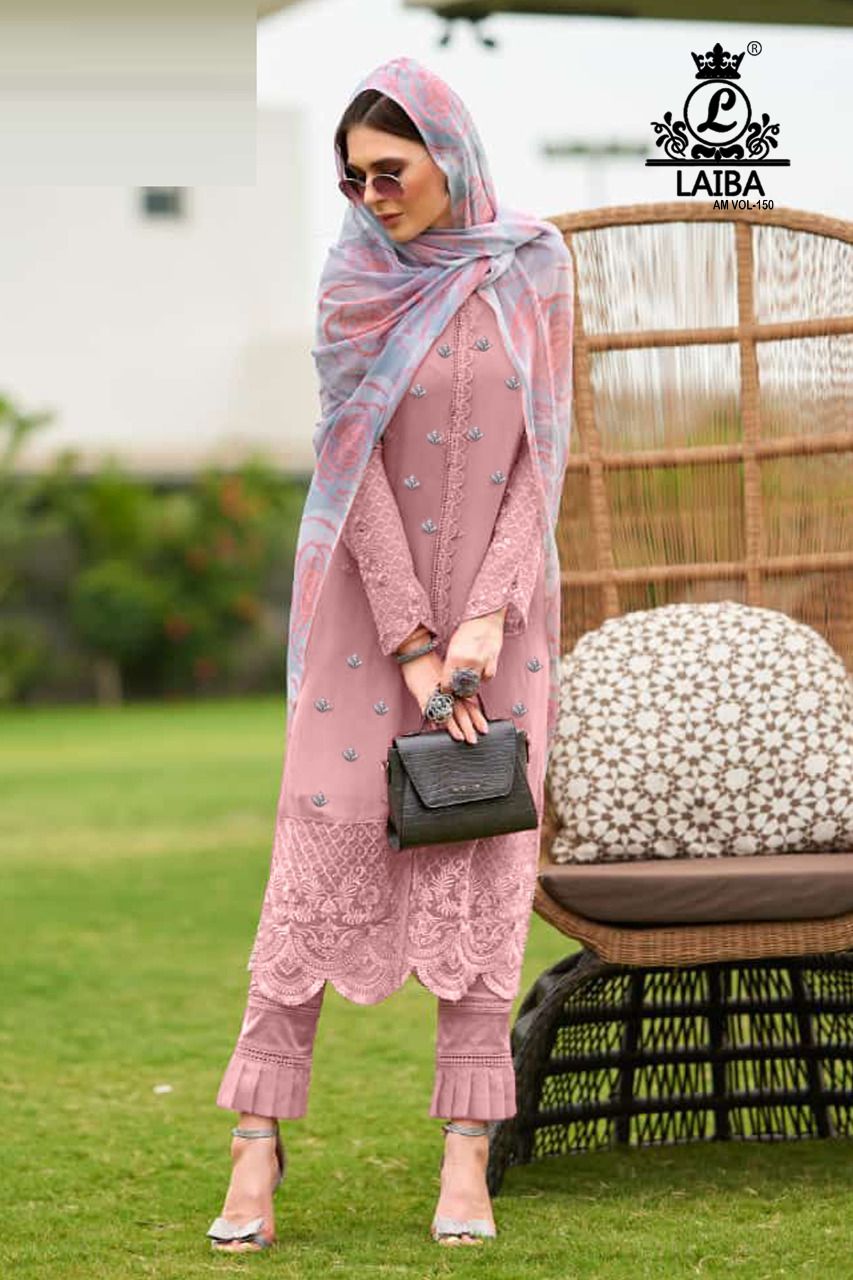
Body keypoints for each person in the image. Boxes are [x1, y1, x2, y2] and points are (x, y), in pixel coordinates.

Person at [206, 54, 573, 1252]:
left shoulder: (534, 267)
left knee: (476, 846)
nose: (372, 195)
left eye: (390, 170)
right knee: (311, 865)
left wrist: (486, 617)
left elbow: (542, 460)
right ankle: (255, 1133)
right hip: (364, 629)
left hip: (501, 627)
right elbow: (348, 469)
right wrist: (416, 638)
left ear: (446, 156)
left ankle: (466, 1146)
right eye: (354, 178)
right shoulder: (353, 283)